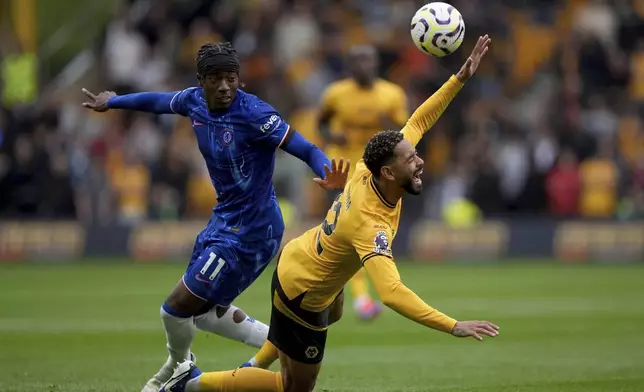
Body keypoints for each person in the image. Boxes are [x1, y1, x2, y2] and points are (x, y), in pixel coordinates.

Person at [159, 35, 499, 392]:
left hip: (299, 257)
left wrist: (459, 78)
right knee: (295, 387)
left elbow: (420, 119)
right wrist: (453, 325)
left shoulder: (368, 170)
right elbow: (392, 293)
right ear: (388, 172)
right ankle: (189, 385)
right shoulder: (370, 225)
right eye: (411, 160)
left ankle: (256, 361)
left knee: (334, 310)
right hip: (301, 291)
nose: (420, 162)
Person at [81, 42, 348, 392]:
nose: (224, 86)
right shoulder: (193, 101)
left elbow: (305, 147)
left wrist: (326, 171)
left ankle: (181, 367)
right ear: (201, 81)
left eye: (231, 78)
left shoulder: (255, 114)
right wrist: (113, 101)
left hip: (252, 231)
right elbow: (159, 102)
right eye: (216, 79)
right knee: (206, 313)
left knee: (175, 308)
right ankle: (284, 342)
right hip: (223, 221)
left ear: (239, 79)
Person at [317, 44, 409, 320]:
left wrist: (388, 124)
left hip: (375, 171)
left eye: (368, 60)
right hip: (341, 168)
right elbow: (321, 122)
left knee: (368, 233)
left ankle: (362, 292)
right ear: (349, 66)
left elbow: (404, 132)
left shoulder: (392, 94)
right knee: (343, 233)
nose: (363, 65)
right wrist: (333, 138)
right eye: (357, 61)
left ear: (376, 63)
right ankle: (361, 298)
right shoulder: (335, 93)